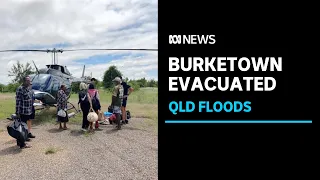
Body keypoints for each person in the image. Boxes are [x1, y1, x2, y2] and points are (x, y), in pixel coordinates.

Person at [15, 76, 34, 148]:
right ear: (24, 81)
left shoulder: (28, 89)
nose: (29, 82)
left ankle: (20, 142)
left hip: (27, 112)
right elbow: (18, 101)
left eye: (29, 81)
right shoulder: (20, 89)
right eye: (28, 81)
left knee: (24, 128)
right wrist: (18, 112)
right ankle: (22, 144)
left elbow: (29, 98)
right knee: (21, 128)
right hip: (22, 112)